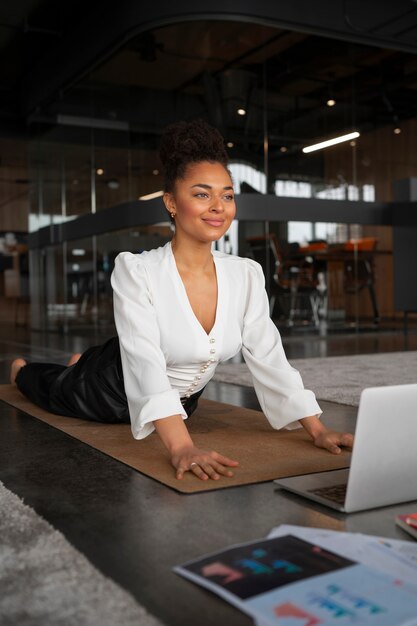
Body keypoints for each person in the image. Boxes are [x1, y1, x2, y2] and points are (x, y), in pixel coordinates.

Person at [10, 119, 353, 482]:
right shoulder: (138, 269)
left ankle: (80, 363)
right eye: (202, 194)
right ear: (171, 203)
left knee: (90, 368)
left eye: (227, 195)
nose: (218, 207)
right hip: (112, 390)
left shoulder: (245, 274)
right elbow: (143, 361)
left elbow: (270, 357)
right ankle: (26, 371)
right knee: (56, 389)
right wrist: (181, 447)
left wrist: (317, 430)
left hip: (182, 402)